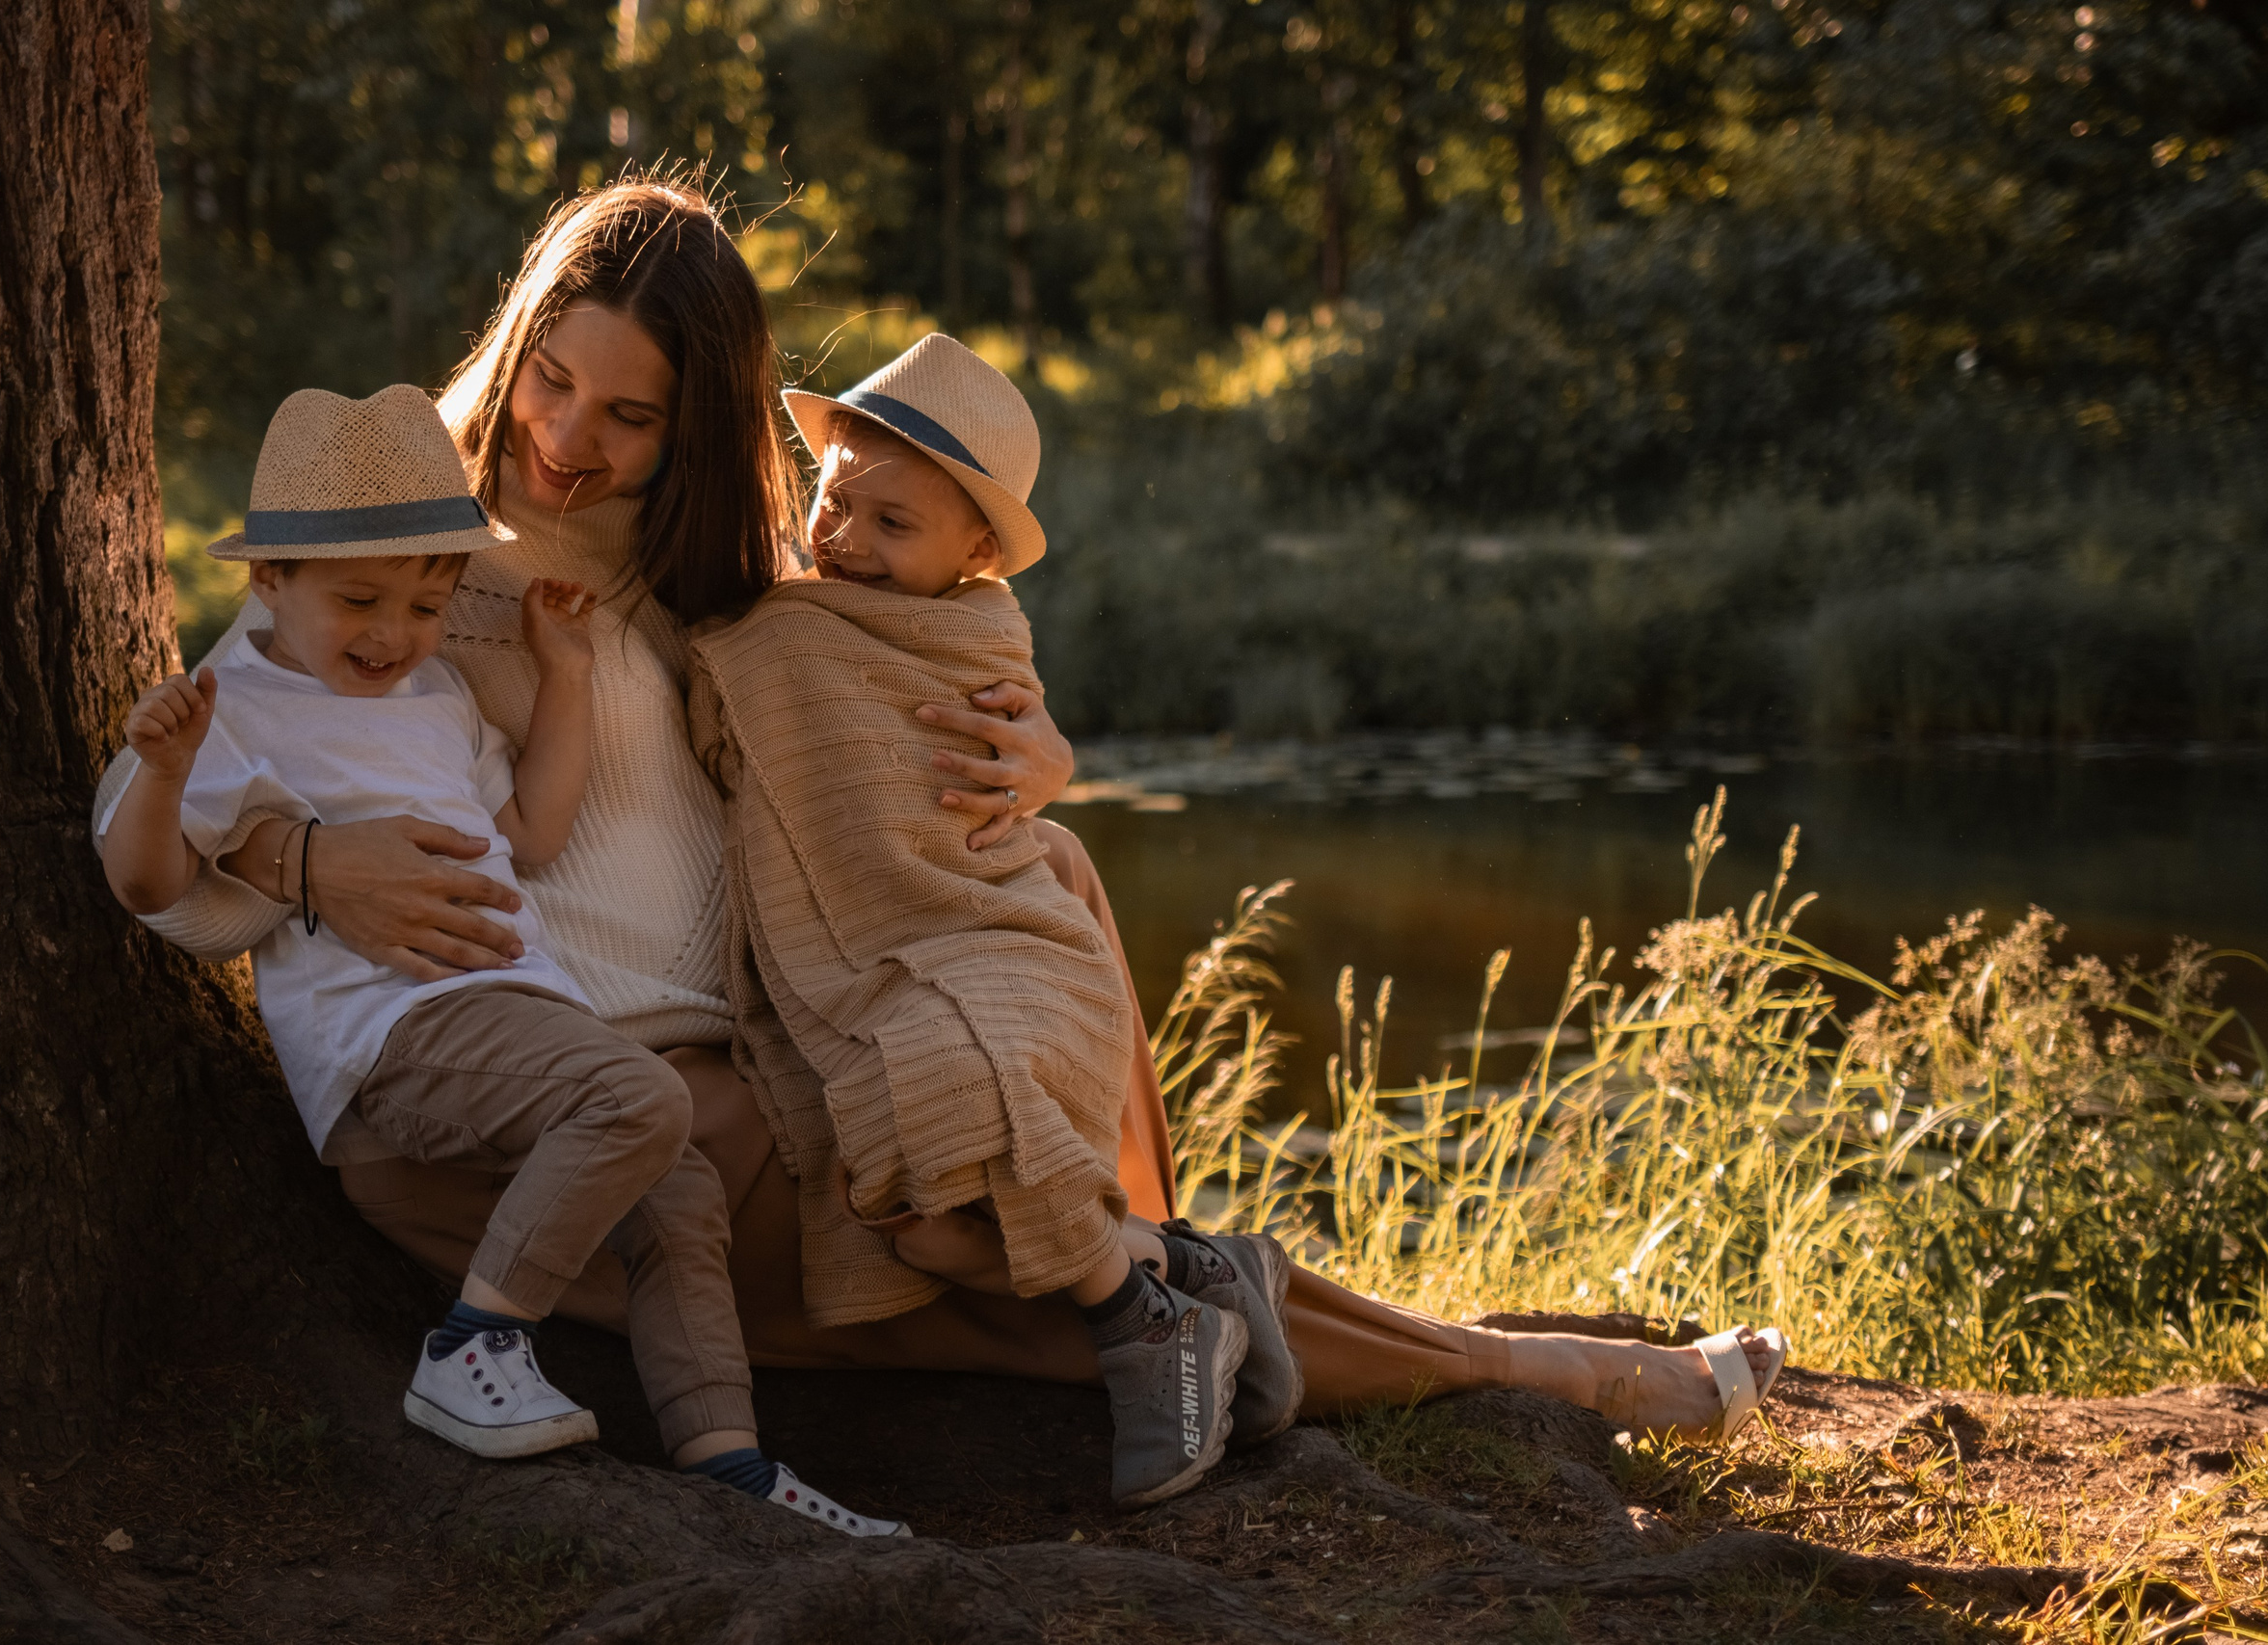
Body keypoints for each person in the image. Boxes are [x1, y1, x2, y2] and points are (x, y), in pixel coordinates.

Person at [95, 176, 1783, 1510]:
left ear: (698, 425)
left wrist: (1033, 757)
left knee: (1027, 1034)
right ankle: (1527, 1370)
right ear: (516, 341)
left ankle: (1386, 1336)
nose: (567, 435)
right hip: (554, 1104)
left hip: (755, 1069)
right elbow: (217, 742)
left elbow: (935, 684)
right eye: (553, 375)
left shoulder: (737, 596)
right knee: (1004, 1282)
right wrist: (310, 870)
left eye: (631, 410)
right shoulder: (405, 571)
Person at [94, 383, 909, 1538]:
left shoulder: (433, 694)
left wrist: (565, 675)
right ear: (268, 581)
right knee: (641, 1096)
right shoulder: (236, 708)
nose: (395, 634)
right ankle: (474, 1345)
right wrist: (167, 774)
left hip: (517, 1019)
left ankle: (726, 1458)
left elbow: (530, 830)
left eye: (426, 605)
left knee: (669, 1168)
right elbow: (149, 883)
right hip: (393, 1037)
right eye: (360, 600)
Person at [685, 332, 1301, 1505]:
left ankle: (1142, 1330)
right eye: (832, 502)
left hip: (1007, 947)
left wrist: (1048, 765)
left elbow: (957, 807)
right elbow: (735, 695)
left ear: (975, 553)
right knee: (915, 1226)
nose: (844, 540)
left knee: (969, 1107)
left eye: (892, 526)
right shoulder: (786, 623)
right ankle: (1191, 1278)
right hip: (884, 971)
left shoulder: (977, 637)